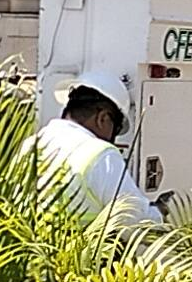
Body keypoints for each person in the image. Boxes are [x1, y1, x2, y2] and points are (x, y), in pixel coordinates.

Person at [28, 70, 167, 223]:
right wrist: (162, 211)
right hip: (81, 239)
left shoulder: (31, 145)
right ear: (103, 118)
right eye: (116, 129)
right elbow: (133, 220)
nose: (113, 138)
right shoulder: (101, 155)